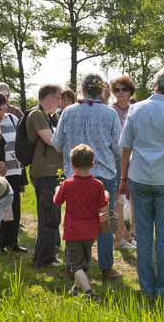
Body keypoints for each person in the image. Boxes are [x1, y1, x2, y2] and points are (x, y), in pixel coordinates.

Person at [119, 65, 164, 297]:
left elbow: (125, 149)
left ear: (154, 84)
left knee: (142, 236)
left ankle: (146, 287)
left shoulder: (135, 109)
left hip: (139, 177)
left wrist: (123, 179)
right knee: (163, 236)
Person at [51, 72, 124, 281]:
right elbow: (118, 148)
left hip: (74, 176)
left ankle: (71, 266)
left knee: (73, 219)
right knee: (105, 222)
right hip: (103, 176)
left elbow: (57, 144)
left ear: (82, 89)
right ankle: (106, 268)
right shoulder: (110, 114)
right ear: (101, 91)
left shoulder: (68, 112)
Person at [53, 144, 110, 302]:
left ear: (72, 165)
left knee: (76, 266)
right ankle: (76, 289)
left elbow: (57, 202)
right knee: (83, 263)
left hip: (73, 231)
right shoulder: (98, 185)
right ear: (92, 165)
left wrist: (57, 190)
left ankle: (90, 294)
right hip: (90, 230)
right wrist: (107, 195)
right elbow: (104, 207)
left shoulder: (67, 184)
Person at [26, 84, 65, 268]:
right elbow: (51, 140)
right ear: (49, 97)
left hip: (52, 172)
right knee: (49, 216)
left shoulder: (47, 116)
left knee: (50, 215)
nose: (59, 103)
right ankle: (46, 259)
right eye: (58, 99)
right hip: (45, 172)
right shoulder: (36, 114)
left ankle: (41, 256)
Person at [0, 82, 29, 254]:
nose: (5, 104)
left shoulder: (14, 119)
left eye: (6, 99)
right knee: (0, 206)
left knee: (14, 206)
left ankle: (13, 242)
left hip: (15, 169)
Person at [110, 75, 137, 250]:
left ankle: (128, 235)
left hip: (135, 159)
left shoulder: (135, 110)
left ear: (130, 92)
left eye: (123, 89)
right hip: (115, 160)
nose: (120, 93)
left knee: (132, 200)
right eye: (117, 89)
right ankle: (118, 237)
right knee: (118, 200)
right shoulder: (110, 110)